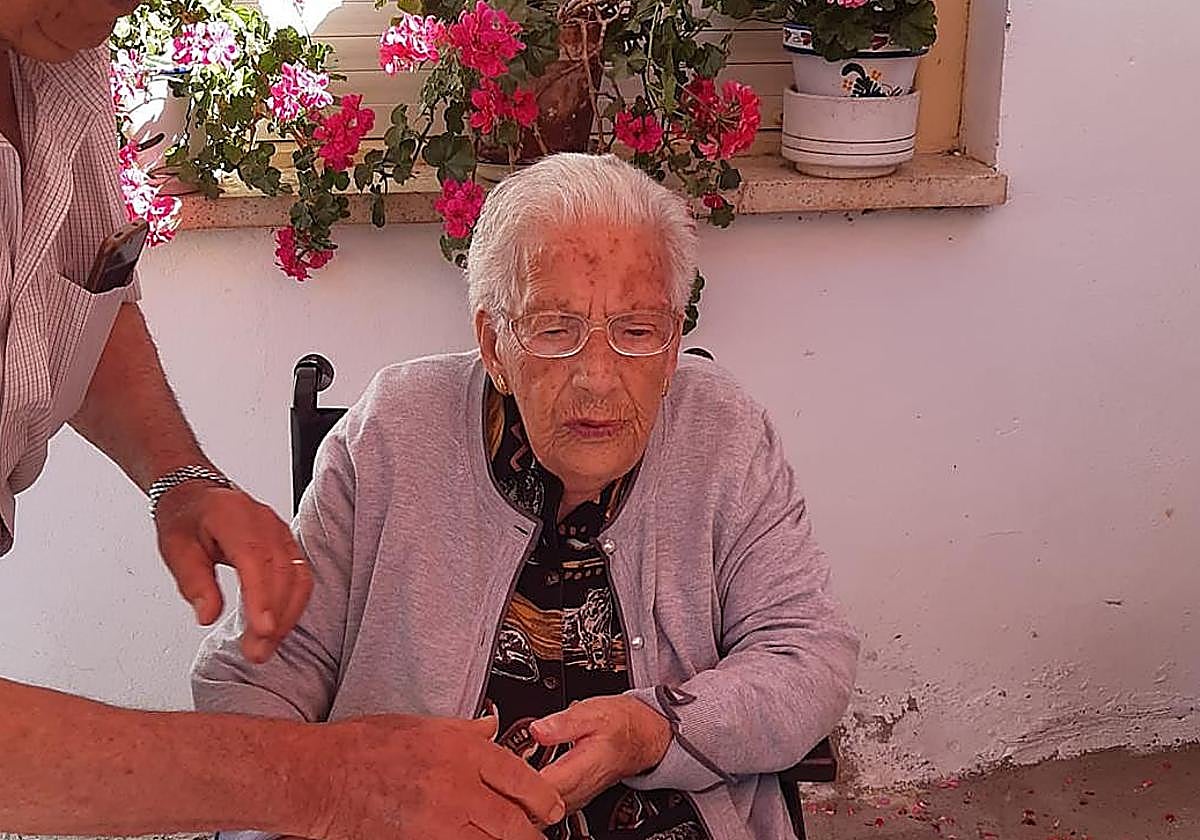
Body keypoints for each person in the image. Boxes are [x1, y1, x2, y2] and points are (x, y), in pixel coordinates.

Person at [0, 3, 564, 838]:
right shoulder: (394, 432)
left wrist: (179, 476)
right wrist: (327, 783)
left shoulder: (59, 57)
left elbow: (81, 285)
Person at [193, 153, 861, 839]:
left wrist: (655, 727)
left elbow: (807, 652)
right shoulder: (393, 431)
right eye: (554, 330)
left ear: (671, 347)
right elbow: (261, 673)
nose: (598, 378)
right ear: (494, 343)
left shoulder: (723, 434)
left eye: (636, 331)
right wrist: (320, 799)